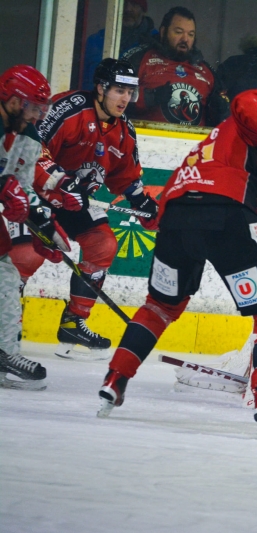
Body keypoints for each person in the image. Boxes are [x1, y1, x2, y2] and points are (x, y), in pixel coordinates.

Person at [96, 89, 257, 440]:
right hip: (224, 217)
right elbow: (246, 100)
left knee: (158, 307)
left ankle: (115, 380)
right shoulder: (254, 125)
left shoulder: (209, 147)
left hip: (178, 221)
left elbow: (167, 209)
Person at [17, 59, 156, 359]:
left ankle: (73, 322)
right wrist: (61, 182)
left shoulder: (124, 130)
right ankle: (6, 326)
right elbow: (30, 148)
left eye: (130, 92)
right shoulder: (68, 108)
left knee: (103, 244)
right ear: (101, 87)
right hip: (33, 197)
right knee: (26, 255)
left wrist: (142, 203)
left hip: (75, 201)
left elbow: (126, 176)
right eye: (119, 90)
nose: (125, 99)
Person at [0, 65, 69, 389]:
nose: (36, 116)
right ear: (12, 100)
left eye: (40, 109)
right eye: (31, 107)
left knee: (5, 271)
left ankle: (5, 352)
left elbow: (22, 188)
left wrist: (46, 227)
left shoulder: (26, 133)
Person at [123, 6, 226, 126]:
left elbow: (224, 121)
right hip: (146, 140)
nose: (185, 39)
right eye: (178, 32)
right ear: (163, 32)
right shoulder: (138, 59)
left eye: (191, 34)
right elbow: (114, 98)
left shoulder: (207, 71)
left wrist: (220, 111)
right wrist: (150, 97)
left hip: (196, 142)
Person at [81, 0, 157, 90]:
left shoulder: (156, 44)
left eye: (134, 4)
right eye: (123, 3)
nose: (128, 9)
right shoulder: (95, 41)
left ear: (143, 10)